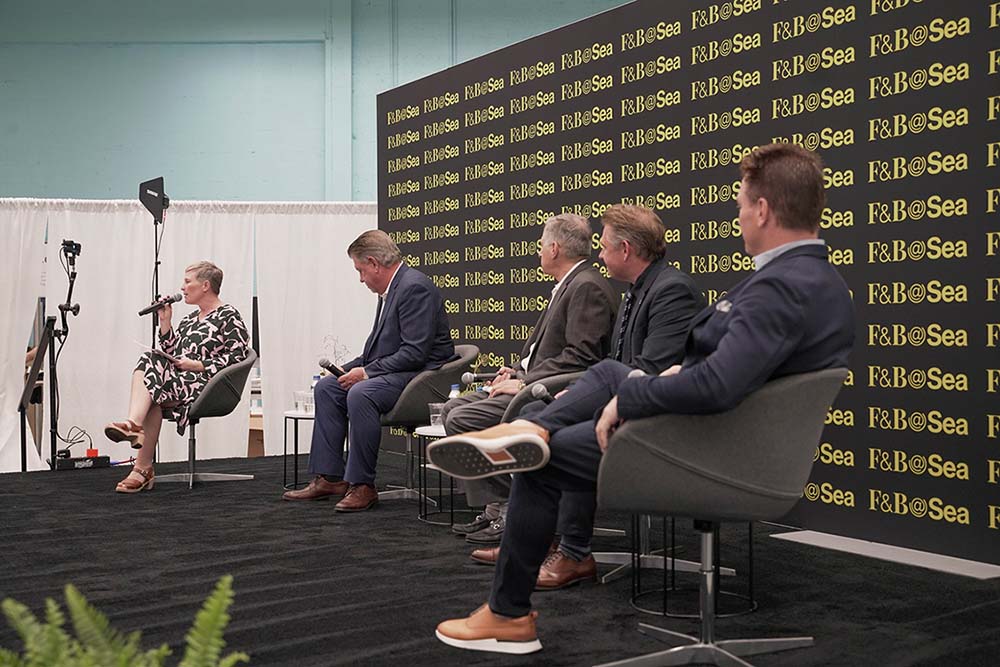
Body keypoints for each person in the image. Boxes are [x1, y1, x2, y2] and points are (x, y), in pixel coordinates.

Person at [427, 143, 856, 654]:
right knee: (585, 401)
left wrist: (633, 397)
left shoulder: (781, 286)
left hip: (706, 449)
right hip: (725, 441)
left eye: (741, 205)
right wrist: (673, 372)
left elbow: (717, 386)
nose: (739, 217)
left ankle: (508, 615)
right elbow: (734, 372)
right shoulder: (815, 279)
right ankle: (531, 430)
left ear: (763, 209)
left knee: (543, 461)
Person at [467, 205, 705, 591]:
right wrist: (578, 392)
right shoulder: (636, 291)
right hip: (626, 401)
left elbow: (648, 370)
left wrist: (588, 396)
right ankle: (535, 540)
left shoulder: (670, 291)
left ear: (625, 250)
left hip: (658, 417)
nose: (599, 254)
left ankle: (574, 552)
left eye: (605, 246)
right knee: (534, 406)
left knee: (558, 435)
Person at [441, 213, 616, 544]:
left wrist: (524, 383)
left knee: (463, 419)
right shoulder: (571, 284)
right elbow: (551, 352)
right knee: (452, 411)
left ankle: (514, 508)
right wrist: (518, 371)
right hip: (531, 382)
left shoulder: (586, 286)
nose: (537, 253)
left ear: (553, 248)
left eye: (540, 246)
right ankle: (496, 510)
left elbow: (581, 357)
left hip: (548, 393)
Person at [282, 230, 455, 512]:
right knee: (327, 387)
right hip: (398, 373)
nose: (361, 279)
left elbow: (415, 352)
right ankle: (330, 478)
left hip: (421, 377)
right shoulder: (391, 291)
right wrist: (345, 370)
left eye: (361, 270)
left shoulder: (414, 287)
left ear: (374, 263)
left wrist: (364, 374)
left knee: (362, 393)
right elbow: (377, 353)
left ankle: (363, 485)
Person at [106, 261, 250, 494]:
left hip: (209, 386)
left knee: (152, 382)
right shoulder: (190, 320)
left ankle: (135, 437)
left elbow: (239, 357)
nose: (182, 288)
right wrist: (165, 323)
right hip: (178, 383)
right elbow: (171, 355)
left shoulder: (228, 315)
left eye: (187, 282)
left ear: (205, 285)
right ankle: (141, 466)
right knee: (151, 367)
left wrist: (199, 365)